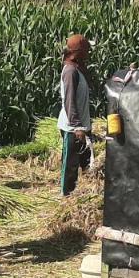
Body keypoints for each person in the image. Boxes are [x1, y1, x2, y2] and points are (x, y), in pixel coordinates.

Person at [58, 34, 94, 196]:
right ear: (78, 52)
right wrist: (77, 126)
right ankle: (67, 197)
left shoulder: (77, 69)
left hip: (82, 127)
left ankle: (85, 194)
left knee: (87, 164)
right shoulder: (70, 71)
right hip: (73, 128)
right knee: (70, 166)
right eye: (86, 49)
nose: (89, 52)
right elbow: (69, 100)